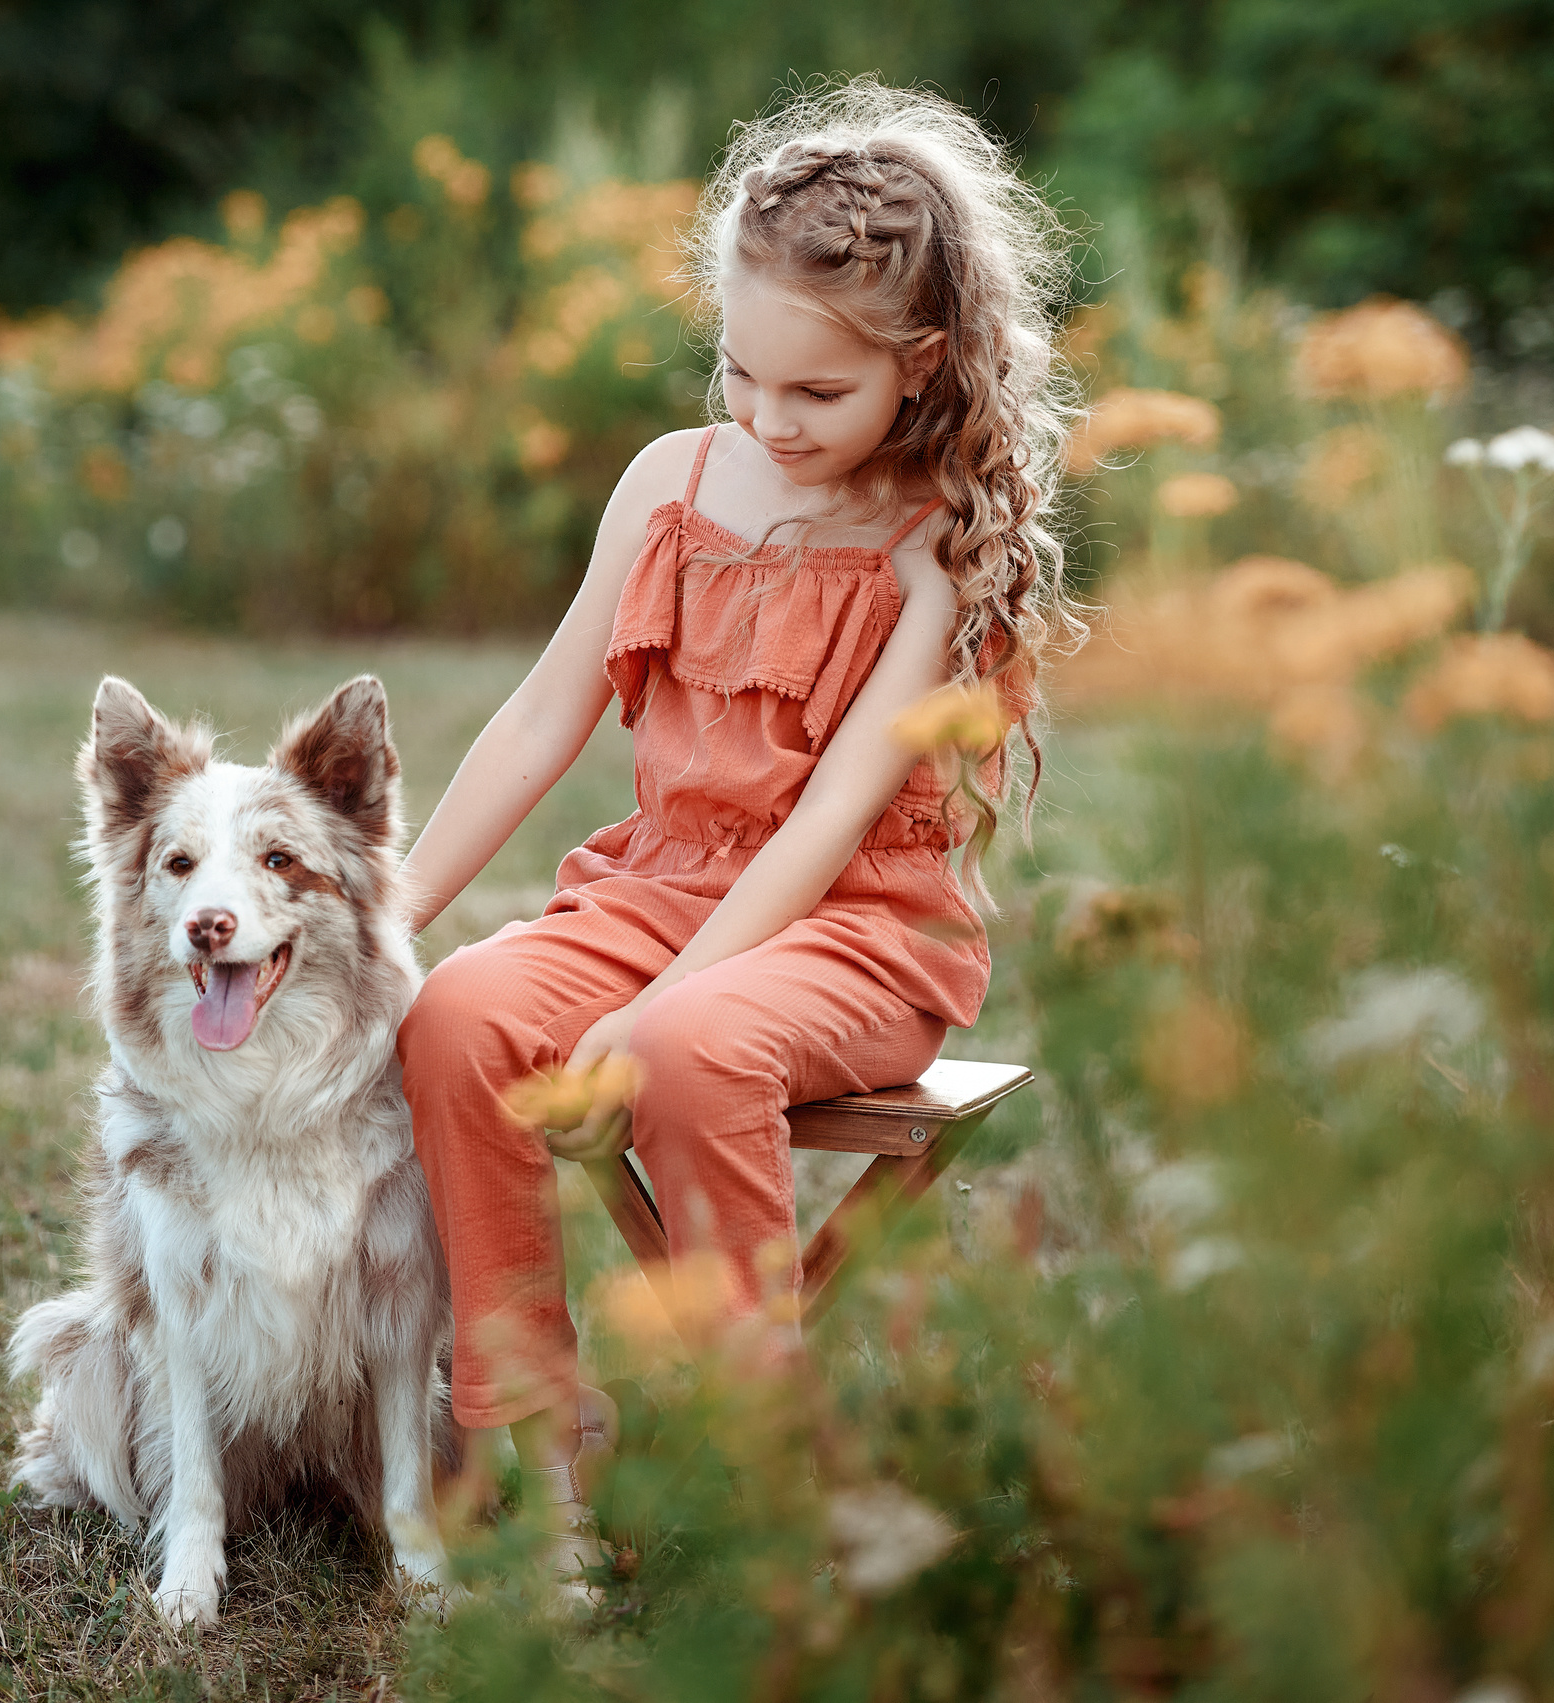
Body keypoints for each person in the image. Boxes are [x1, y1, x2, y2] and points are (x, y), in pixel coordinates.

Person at [394, 78, 1079, 1582]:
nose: (768, 420)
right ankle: (549, 1431)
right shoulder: (670, 482)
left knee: (687, 1050)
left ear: (928, 365)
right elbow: (539, 715)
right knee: (457, 1017)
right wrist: (397, 910)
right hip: (659, 892)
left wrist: (655, 1004)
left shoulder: (928, 551)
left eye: (816, 394)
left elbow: (833, 822)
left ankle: (764, 1458)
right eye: (740, 374)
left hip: (861, 932)